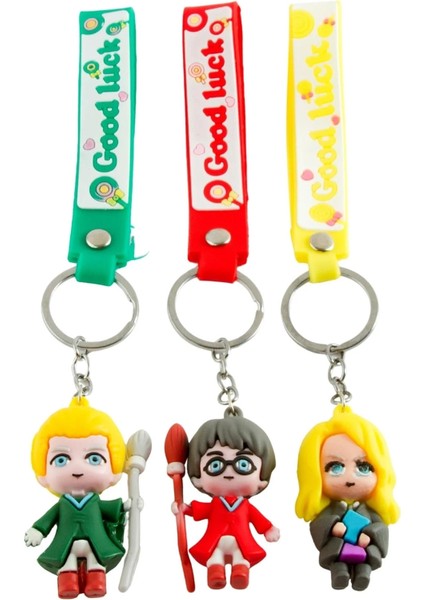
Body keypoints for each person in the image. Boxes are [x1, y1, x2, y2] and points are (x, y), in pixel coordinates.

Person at [25, 397, 128, 599]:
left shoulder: (94, 502)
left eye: (94, 458)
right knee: (67, 564)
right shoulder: (62, 504)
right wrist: (38, 530)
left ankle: (96, 581)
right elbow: (49, 518)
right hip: (67, 544)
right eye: (61, 459)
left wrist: (125, 506)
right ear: (44, 473)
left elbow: (110, 509)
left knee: (96, 562)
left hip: (95, 543)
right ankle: (67, 583)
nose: (78, 468)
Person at [295, 405, 400, 591]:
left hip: (364, 549)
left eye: (364, 467)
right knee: (338, 563)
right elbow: (317, 525)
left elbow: (381, 527)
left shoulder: (370, 511)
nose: (350, 477)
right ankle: (339, 573)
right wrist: (333, 527)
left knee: (364, 563)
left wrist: (370, 534)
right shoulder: (330, 510)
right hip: (338, 548)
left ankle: (363, 574)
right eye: (335, 467)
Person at [175, 408, 280, 590]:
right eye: (216, 465)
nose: (229, 471)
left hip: (241, 542)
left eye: (243, 464)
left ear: (261, 479)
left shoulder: (245, 506)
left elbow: (257, 518)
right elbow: (201, 510)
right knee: (214, 557)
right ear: (198, 478)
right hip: (215, 541)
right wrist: (185, 508)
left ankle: (240, 572)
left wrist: (267, 528)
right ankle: (215, 574)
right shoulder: (215, 504)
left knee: (241, 557)